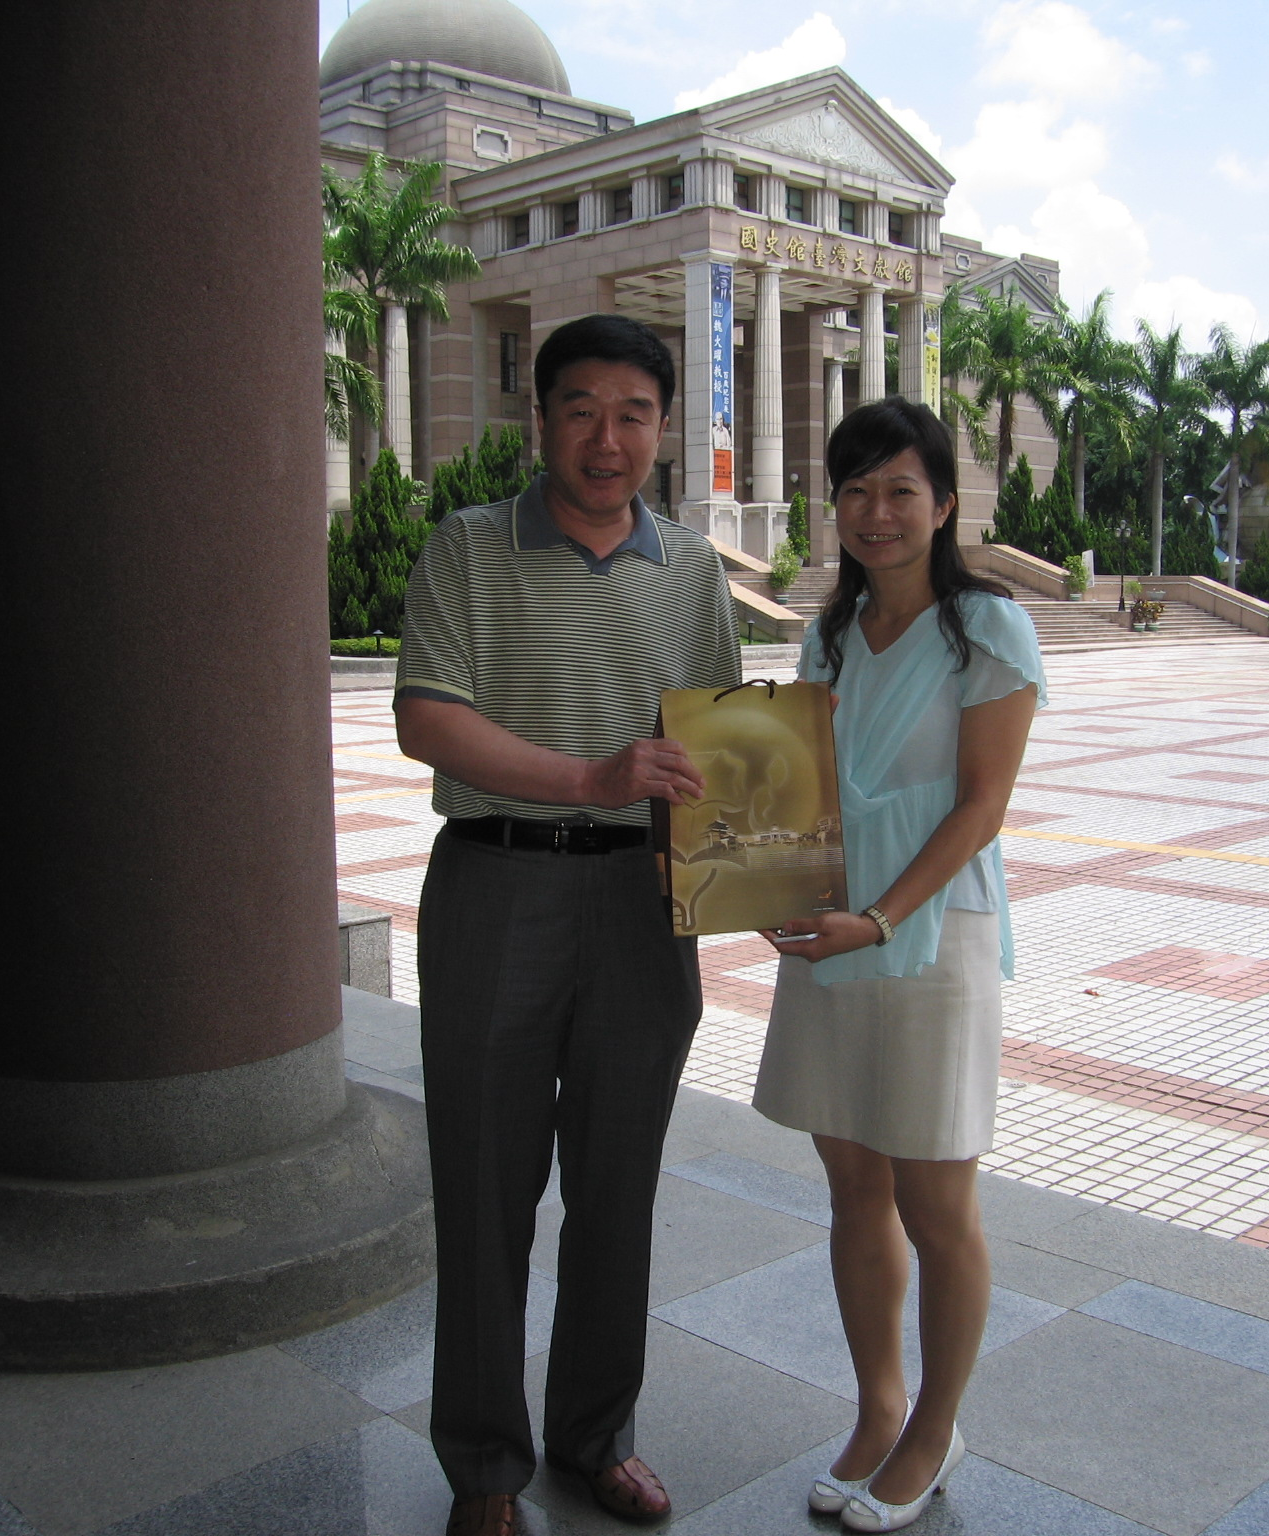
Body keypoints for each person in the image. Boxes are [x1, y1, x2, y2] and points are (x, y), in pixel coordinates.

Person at [393, 313, 742, 1536]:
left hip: (645, 904)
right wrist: (591, 777)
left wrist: (771, 875)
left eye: (633, 414)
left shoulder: (691, 570)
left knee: (617, 1186)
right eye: (581, 410)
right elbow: (428, 721)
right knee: (483, 1186)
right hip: (496, 888)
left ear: (663, 427)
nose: (607, 439)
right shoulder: (468, 547)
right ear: (538, 418)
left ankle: (595, 1436)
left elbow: (720, 744)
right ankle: (486, 1466)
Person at [752, 397, 1044, 1532]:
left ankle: (935, 1423)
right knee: (852, 1181)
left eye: (900, 491)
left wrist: (878, 919)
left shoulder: (987, 630)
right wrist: (765, 883)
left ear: (945, 505)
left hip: (929, 930)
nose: (876, 513)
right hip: (833, 926)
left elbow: (980, 807)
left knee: (935, 1198)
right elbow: (796, 791)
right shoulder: (824, 639)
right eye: (856, 491)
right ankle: (877, 1409)